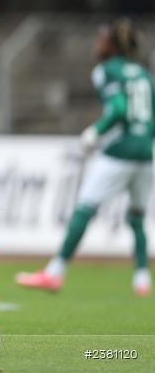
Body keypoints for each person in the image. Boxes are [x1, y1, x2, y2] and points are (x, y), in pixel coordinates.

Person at [16, 20, 153, 297]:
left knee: (85, 208)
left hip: (119, 152)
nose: (97, 45)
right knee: (137, 217)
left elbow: (118, 108)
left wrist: (94, 132)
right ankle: (142, 278)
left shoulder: (106, 70)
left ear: (113, 45)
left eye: (101, 40)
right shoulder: (143, 74)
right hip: (146, 152)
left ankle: (55, 273)